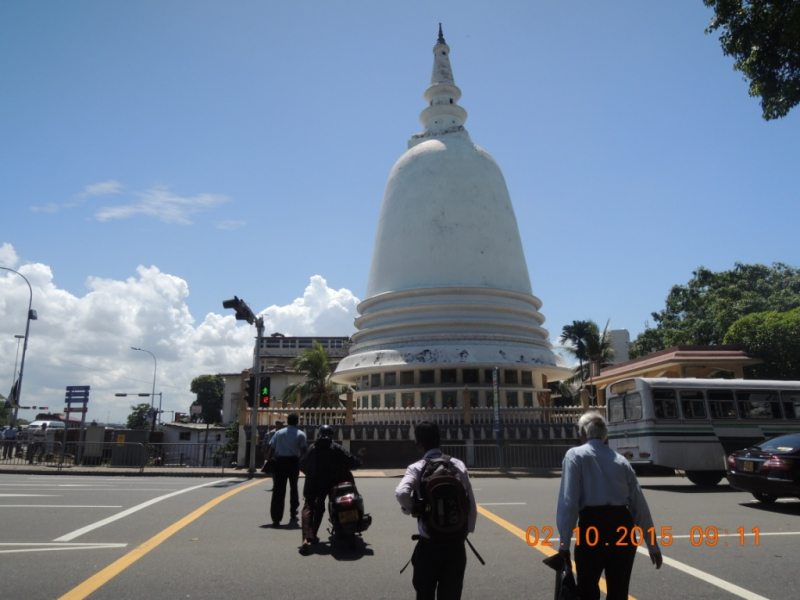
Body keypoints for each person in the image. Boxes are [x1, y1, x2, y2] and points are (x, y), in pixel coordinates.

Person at [556, 411, 662, 600]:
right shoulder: (621, 460)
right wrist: (652, 544)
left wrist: (564, 543)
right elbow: (639, 504)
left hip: (593, 526)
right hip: (623, 526)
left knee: (587, 588)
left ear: (583, 432)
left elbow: (568, 503)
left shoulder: (575, 455)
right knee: (618, 591)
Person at [396, 421, 477, 600]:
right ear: (440, 440)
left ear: (418, 445)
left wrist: (411, 509)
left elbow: (401, 492)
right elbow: (470, 502)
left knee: (425, 594)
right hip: (456, 545)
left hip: (429, 546)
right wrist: (464, 530)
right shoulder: (457, 465)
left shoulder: (417, 468)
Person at [298, 424, 362, 555]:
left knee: (308, 506)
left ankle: (306, 538)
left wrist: (310, 474)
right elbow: (350, 458)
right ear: (332, 435)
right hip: (326, 483)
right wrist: (359, 462)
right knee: (320, 506)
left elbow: (302, 464)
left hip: (311, 482)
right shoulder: (335, 447)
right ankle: (313, 534)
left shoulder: (312, 447)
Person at [265, 413, 306, 526]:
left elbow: (271, 449)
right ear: (297, 422)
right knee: (294, 487)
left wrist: (268, 462)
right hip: (293, 462)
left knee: (279, 490)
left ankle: (276, 518)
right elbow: (303, 451)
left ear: (287, 421)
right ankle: (293, 513)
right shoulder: (301, 434)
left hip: (280, 462)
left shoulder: (278, 433)